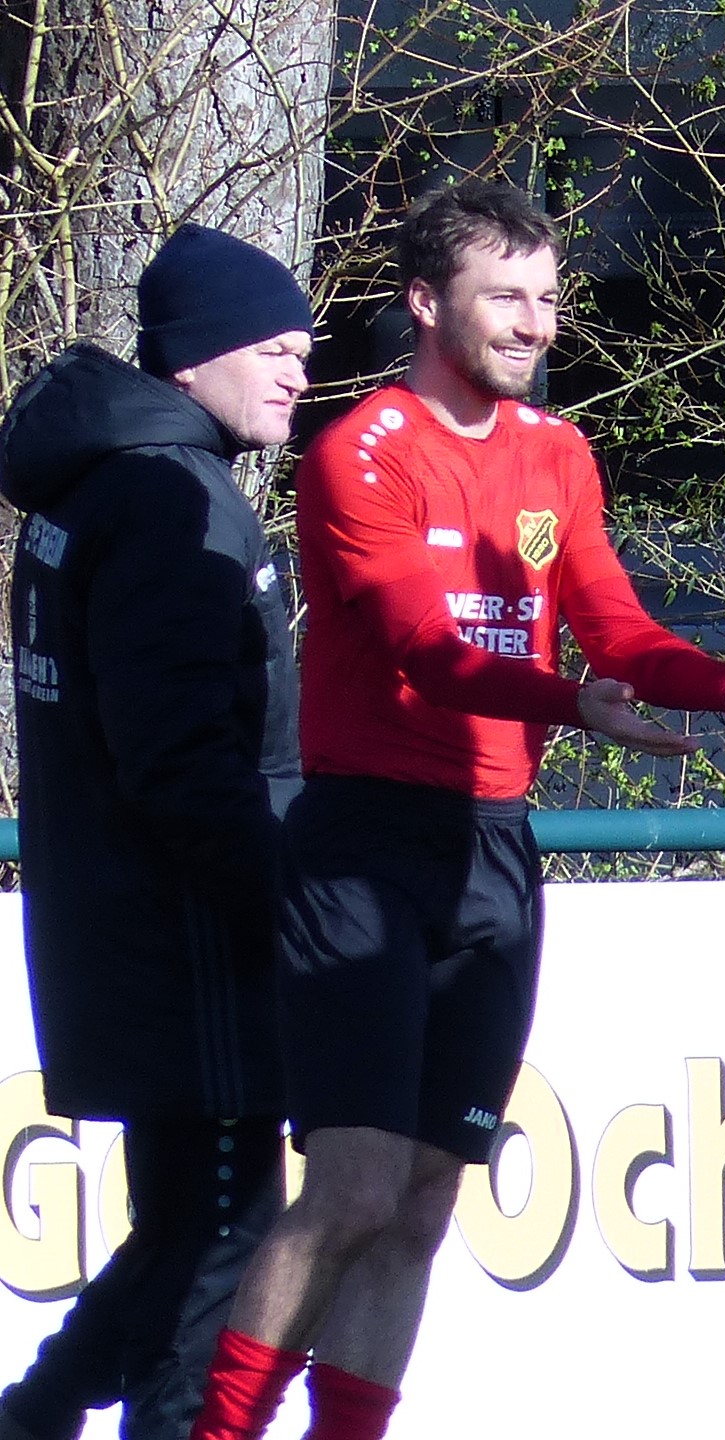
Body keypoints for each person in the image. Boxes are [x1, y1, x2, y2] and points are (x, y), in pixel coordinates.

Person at [188, 179, 725, 1440]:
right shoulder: (360, 453)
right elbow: (425, 652)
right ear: (424, 303)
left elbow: (616, 629)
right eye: (505, 297)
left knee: (425, 1201)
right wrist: (566, 702)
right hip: (364, 847)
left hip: (494, 852)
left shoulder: (556, 451)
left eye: (547, 299)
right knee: (354, 1187)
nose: (535, 324)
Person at [0, 225, 314, 1440]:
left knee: (188, 1227)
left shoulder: (105, 483)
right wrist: (290, 903)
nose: (296, 371)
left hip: (134, 941)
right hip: (190, 953)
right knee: (221, 1251)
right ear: (191, 359)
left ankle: (35, 1416)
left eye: (302, 349)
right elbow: (179, 763)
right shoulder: (170, 502)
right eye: (270, 348)